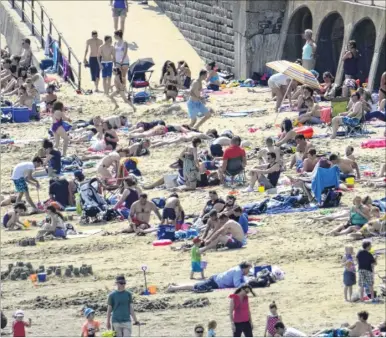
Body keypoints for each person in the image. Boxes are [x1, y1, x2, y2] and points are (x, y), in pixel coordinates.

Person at [167, 262, 252, 293]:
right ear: (244, 268)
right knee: (195, 286)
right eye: (248, 269)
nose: (248, 271)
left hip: (216, 280)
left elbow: (242, 280)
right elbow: (237, 284)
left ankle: (177, 285)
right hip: (215, 282)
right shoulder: (238, 272)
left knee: (195, 285)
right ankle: (173, 287)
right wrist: (246, 284)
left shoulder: (239, 270)